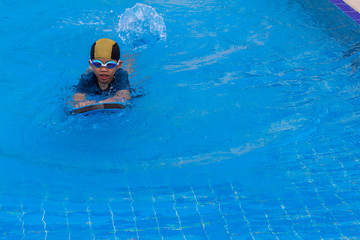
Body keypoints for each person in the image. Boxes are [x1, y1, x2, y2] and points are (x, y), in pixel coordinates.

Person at [72, 38, 131, 108]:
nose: (103, 69)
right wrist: (81, 103)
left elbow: (124, 95)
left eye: (110, 64)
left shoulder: (121, 74)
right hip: (92, 74)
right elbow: (76, 99)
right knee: (90, 72)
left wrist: (112, 99)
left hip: (118, 73)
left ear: (119, 64)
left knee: (129, 70)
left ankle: (130, 57)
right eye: (97, 63)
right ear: (91, 64)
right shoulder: (86, 79)